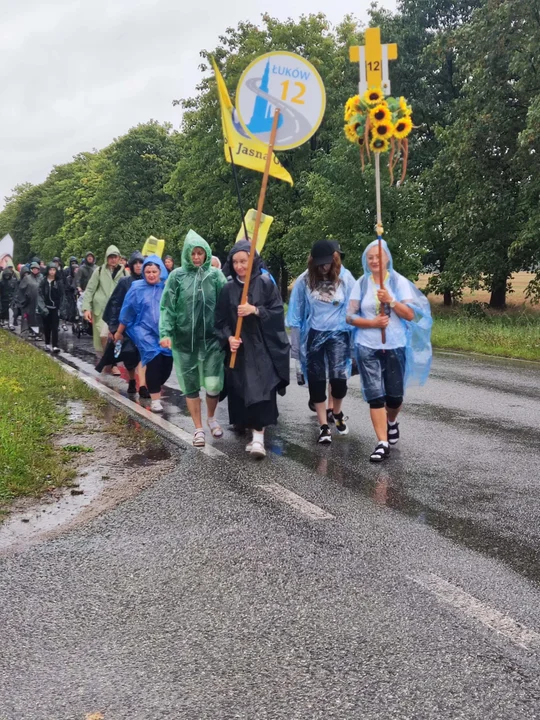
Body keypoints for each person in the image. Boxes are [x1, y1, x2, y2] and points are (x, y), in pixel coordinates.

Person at [346, 239, 432, 462]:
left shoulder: (398, 282)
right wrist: (372, 323)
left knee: (394, 398)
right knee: (375, 396)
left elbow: (410, 315)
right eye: (370, 258)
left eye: (378, 257)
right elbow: (349, 316)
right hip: (367, 346)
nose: (374, 261)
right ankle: (382, 443)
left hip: (395, 345)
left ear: (387, 258)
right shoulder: (362, 284)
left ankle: (391, 421)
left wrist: (391, 301)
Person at [215, 240, 290, 459]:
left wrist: (255, 310)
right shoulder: (228, 288)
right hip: (240, 349)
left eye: (244, 261)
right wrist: (229, 338)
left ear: (253, 261)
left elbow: (277, 314)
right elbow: (220, 321)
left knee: (263, 390)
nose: (239, 266)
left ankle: (259, 438)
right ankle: (250, 432)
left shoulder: (266, 283)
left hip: (263, 347)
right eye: (236, 262)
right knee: (242, 390)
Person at [160, 231, 226, 446]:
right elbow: (167, 306)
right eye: (193, 253)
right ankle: (198, 428)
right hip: (184, 340)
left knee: (214, 383)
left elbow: (227, 304)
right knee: (190, 385)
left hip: (212, 340)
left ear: (206, 254)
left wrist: (230, 331)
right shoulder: (177, 276)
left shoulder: (215, 276)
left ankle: (212, 418)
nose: (197, 257)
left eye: (200, 253)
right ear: (187, 255)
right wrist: (166, 332)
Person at [287, 240, 355, 444]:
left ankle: (338, 412)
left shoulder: (345, 278)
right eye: (320, 264)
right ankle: (324, 426)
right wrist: (296, 347)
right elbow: (296, 313)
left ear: (333, 260)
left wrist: (354, 339)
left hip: (338, 335)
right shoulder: (305, 280)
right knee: (316, 382)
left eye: (327, 263)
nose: (324, 267)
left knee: (338, 381)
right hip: (315, 334)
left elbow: (354, 308)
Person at [116, 255, 172, 413]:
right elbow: (127, 311)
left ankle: (153, 384)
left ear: (160, 271)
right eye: (148, 272)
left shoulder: (167, 287)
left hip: (164, 332)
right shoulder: (136, 288)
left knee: (167, 364)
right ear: (144, 273)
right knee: (153, 360)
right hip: (144, 330)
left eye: (154, 271)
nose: (151, 275)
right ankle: (155, 399)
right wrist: (119, 332)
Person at [101, 251, 147, 395]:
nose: (139, 266)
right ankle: (132, 379)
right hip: (127, 325)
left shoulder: (149, 281)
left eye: (141, 263)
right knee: (129, 355)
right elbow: (115, 303)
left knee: (144, 354)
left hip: (144, 325)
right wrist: (114, 327)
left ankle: (143, 385)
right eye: (136, 263)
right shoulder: (124, 282)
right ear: (131, 265)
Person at [82, 245, 127, 369]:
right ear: (107, 258)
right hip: (101, 310)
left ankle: (111, 364)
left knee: (114, 336)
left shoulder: (124, 272)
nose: (113, 259)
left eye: (115, 257)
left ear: (119, 258)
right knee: (103, 336)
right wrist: (86, 308)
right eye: (110, 257)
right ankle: (108, 361)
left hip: (117, 311)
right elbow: (90, 290)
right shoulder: (99, 271)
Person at [39, 263, 64, 352]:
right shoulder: (44, 281)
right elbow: (40, 293)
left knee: (55, 327)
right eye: (50, 270)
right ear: (48, 270)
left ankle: (55, 345)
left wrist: (61, 307)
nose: (52, 272)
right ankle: (47, 343)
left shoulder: (58, 282)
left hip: (55, 308)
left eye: (54, 270)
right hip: (46, 307)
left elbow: (62, 295)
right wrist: (42, 306)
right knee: (46, 326)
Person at [18, 262, 42, 338]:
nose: (35, 270)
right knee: (28, 317)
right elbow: (21, 289)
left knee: (37, 318)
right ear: (31, 269)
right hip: (28, 302)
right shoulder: (27, 278)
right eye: (33, 269)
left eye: (36, 269)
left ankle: (37, 333)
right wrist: (24, 298)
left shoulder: (41, 278)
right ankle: (26, 331)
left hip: (38, 302)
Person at [0, 266, 18, 330]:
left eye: (8, 275)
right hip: (3, 299)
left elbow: (16, 290)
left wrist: (14, 298)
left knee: (11, 312)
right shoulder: (2, 282)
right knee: (3, 311)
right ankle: (3, 321)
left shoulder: (14, 281)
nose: (7, 277)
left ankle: (10, 324)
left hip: (11, 299)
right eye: (6, 275)